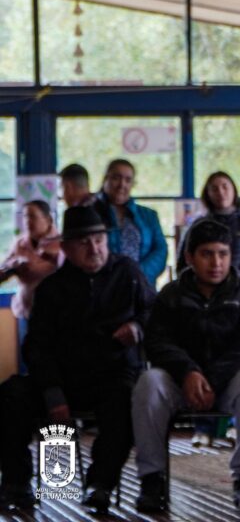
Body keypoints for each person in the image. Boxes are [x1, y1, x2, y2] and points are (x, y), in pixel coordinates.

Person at [0, 206, 154, 514]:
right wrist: (53, 392)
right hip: (65, 376)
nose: (93, 247)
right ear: (67, 249)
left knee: (125, 402)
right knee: (10, 395)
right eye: (83, 242)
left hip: (114, 373)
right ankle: (16, 484)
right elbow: (37, 347)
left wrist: (138, 327)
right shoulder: (53, 288)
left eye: (98, 239)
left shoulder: (128, 273)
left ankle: (100, 485)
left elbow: (155, 313)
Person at [131, 219, 240, 513]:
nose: (216, 262)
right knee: (148, 382)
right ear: (190, 257)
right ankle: (151, 480)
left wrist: (211, 380)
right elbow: (157, 343)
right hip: (180, 382)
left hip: (227, 382)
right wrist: (188, 372)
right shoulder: (170, 295)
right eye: (207, 254)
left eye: (223, 253)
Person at [0, 200, 63, 369]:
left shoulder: (62, 244)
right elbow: (2, 271)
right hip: (26, 313)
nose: (27, 222)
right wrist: (12, 267)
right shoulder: (20, 243)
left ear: (48, 219)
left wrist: (42, 262)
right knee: (29, 363)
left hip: (56, 316)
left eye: (33, 217)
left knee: (55, 364)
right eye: (25, 217)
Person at [94, 159, 168, 286]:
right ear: (105, 179)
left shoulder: (149, 216)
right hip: (103, 286)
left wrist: (138, 274)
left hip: (142, 286)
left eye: (128, 180)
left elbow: (160, 250)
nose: (122, 184)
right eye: (116, 178)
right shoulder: (91, 214)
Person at [176, 171, 240, 275]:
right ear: (207, 194)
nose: (221, 192)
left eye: (225, 187)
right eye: (214, 189)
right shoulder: (199, 225)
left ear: (234, 190)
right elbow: (183, 262)